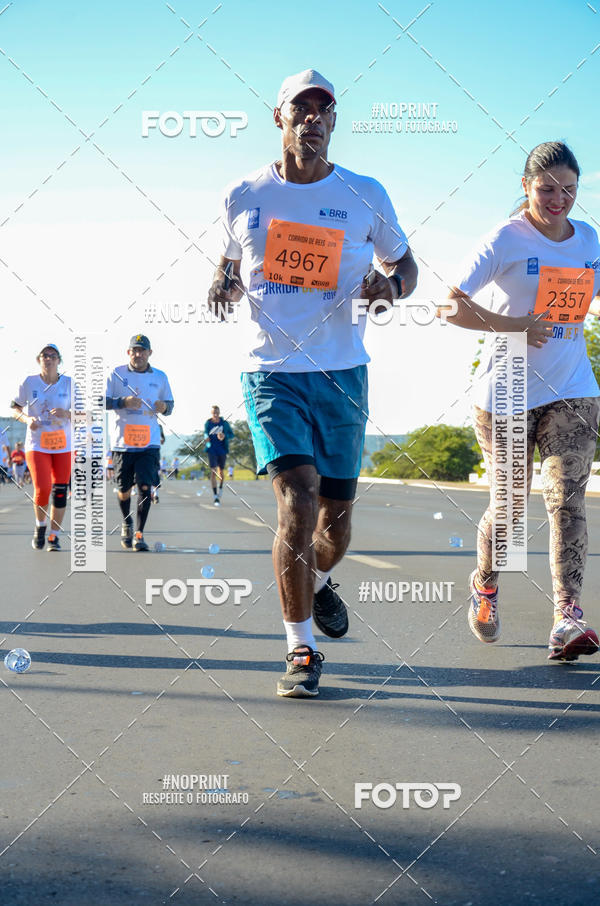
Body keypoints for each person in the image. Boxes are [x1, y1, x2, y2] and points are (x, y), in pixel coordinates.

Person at [208, 69, 417, 697]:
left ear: (334, 122)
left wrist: (391, 286)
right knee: (296, 503)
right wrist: (221, 279)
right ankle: (301, 649)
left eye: (325, 110)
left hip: (343, 372)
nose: (314, 119)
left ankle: (322, 580)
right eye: (302, 109)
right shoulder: (242, 195)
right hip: (271, 372)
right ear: (280, 118)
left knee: (335, 527)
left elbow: (405, 264)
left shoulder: (365, 192)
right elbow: (226, 254)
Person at [443, 141, 600, 662]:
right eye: (547, 189)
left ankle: (567, 617)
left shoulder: (589, 240)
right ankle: (486, 584)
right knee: (510, 510)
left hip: (572, 388)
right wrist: (515, 326)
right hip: (506, 389)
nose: (559, 200)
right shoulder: (505, 239)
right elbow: (451, 307)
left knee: (566, 499)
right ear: (526, 188)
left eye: (570, 190)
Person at [105, 334, 174, 552]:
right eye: (134, 350)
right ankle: (127, 521)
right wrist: (122, 401)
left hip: (149, 443)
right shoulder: (116, 374)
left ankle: (139, 534)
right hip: (122, 442)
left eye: (142, 350)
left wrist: (163, 406)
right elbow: (101, 401)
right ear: (128, 353)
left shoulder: (160, 377)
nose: (138, 354)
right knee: (123, 489)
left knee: (145, 487)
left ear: (149, 353)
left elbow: (170, 405)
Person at [10, 344, 72, 550]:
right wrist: (27, 419)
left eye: (53, 356)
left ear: (59, 361)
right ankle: (40, 525)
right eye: (45, 355)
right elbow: (15, 408)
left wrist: (68, 414)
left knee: (60, 491)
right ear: (39, 360)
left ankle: (54, 536)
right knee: (43, 488)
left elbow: (88, 416)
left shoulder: (70, 384)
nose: (49, 359)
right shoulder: (29, 382)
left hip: (63, 445)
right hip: (37, 444)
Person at [203, 405, 234, 505]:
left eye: (217, 413)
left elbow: (231, 434)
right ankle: (215, 496)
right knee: (213, 472)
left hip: (222, 450)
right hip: (212, 450)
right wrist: (206, 437)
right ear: (211, 413)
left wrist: (225, 436)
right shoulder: (208, 423)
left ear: (219, 413)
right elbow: (205, 433)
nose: (215, 415)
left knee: (221, 472)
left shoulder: (224, 423)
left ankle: (220, 488)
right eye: (214, 413)